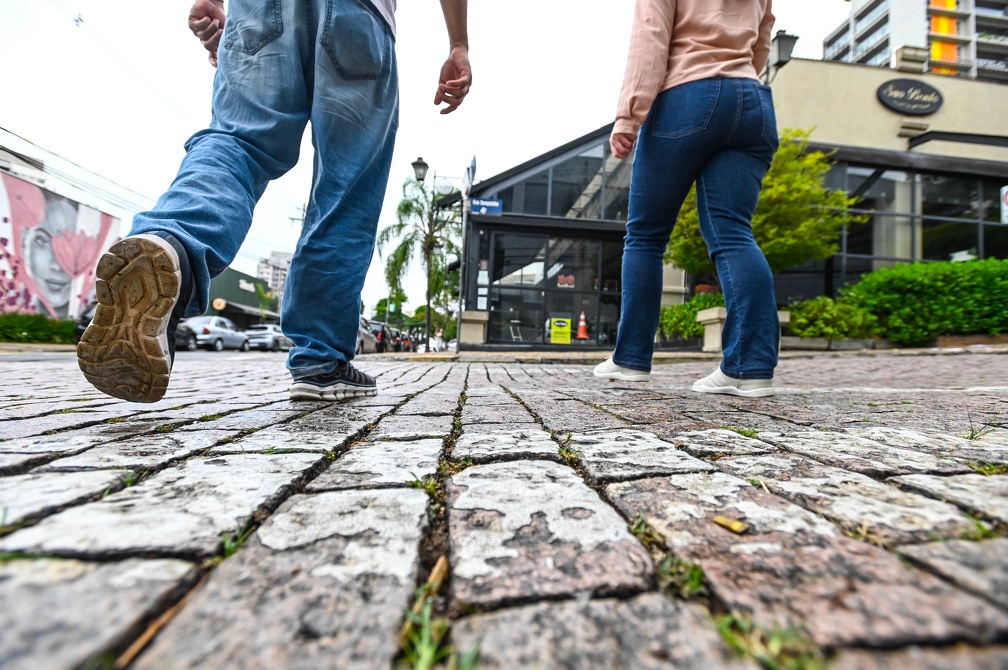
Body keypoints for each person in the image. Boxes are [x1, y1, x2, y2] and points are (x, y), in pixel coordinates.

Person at [78, 0, 471, 403]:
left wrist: (213, 5)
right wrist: (459, 43)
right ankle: (322, 359)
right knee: (346, 188)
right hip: (358, 14)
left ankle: (174, 241)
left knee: (239, 140)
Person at [593, 0, 779, 398]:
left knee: (646, 236)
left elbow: (650, 38)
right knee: (734, 233)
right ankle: (751, 367)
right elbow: (761, 42)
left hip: (688, 94)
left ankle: (631, 359)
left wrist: (629, 114)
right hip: (753, 100)